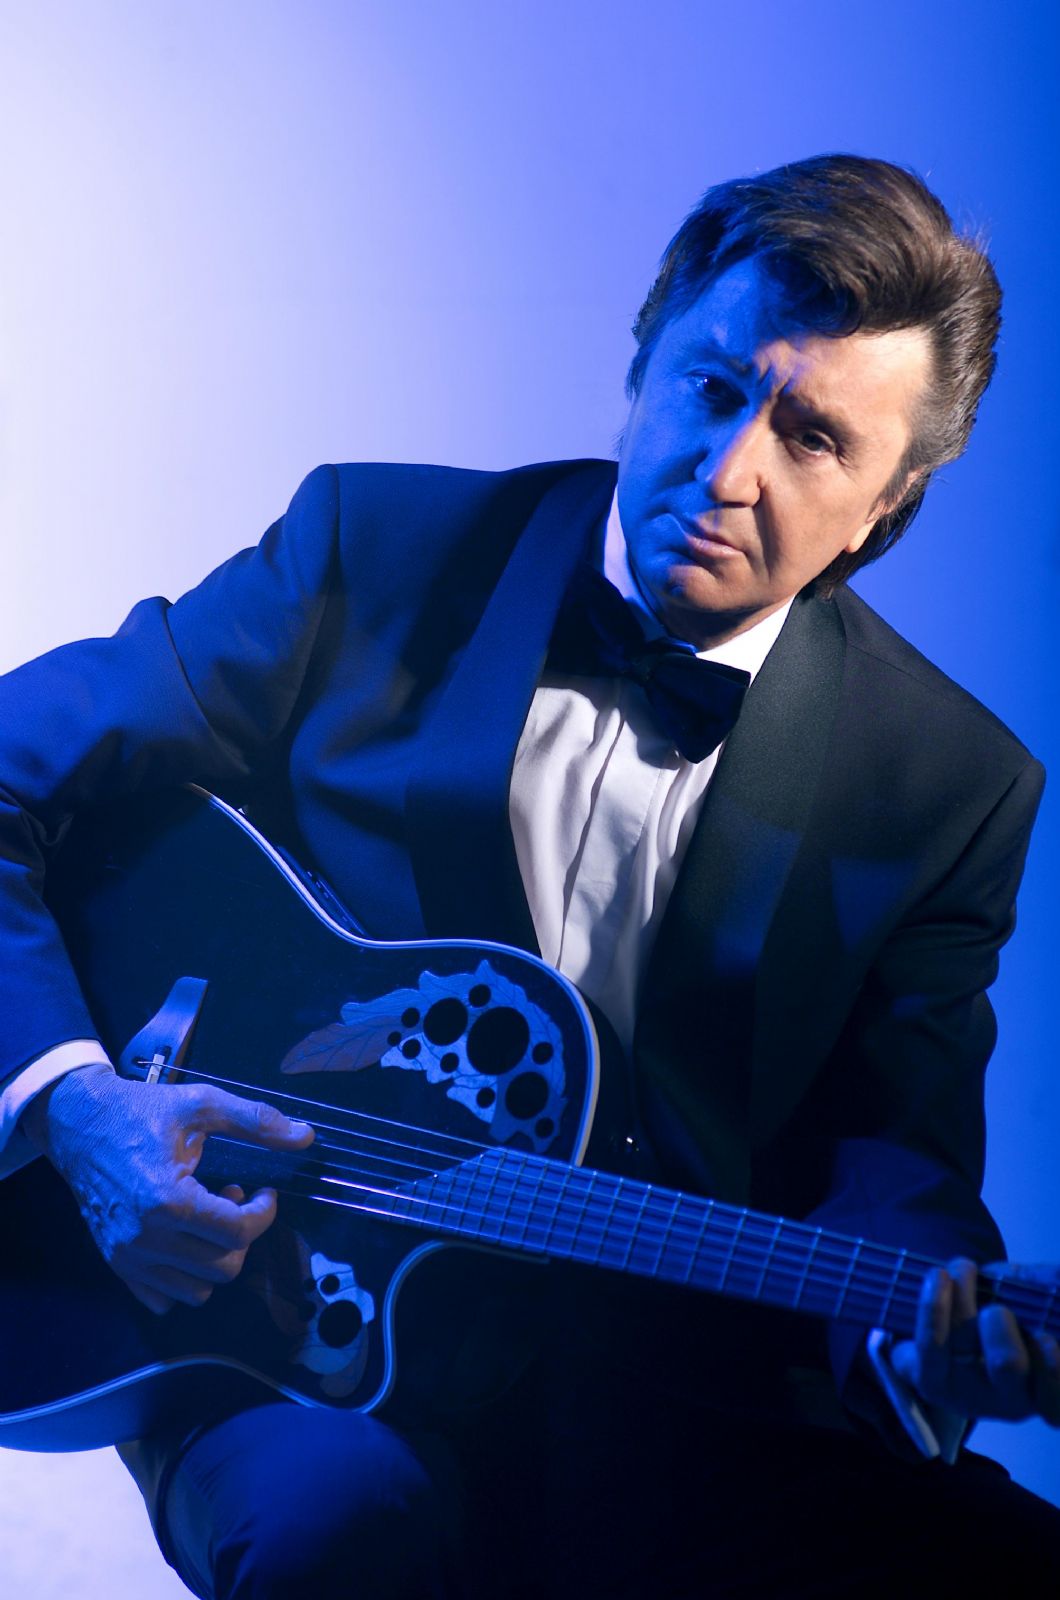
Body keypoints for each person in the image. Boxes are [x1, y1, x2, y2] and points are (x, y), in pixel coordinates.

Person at [1, 153, 1058, 1596]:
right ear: (643, 354)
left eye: (814, 439)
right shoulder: (374, 551)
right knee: (341, 1538)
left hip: (676, 1393)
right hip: (278, 1341)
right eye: (711, 387)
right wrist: (77, 1106)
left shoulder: (948, 783)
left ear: (892, 500)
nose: (729, 470)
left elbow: (895, 1156)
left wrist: (923, 1336)